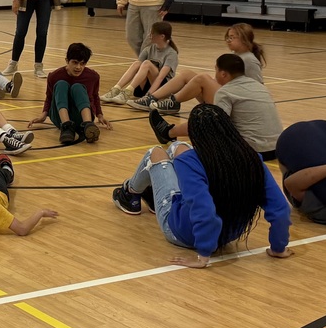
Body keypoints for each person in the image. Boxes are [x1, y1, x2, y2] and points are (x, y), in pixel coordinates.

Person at [111, 104, 292, 269]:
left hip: (184, 234)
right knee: (178, 146)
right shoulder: (251, 158)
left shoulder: (191, 161)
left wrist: (203, 255)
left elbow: (204, 210)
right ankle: (146, 194)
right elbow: (280, 208)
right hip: (229, 234)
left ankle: (129, 193)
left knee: (156, 153)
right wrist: (278, 247)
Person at [148, 54, 282, 159]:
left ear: (223, 74)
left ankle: (168, 132)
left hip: (251, 151)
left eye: (216, 70)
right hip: (275, 148)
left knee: (204, 127)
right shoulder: (258, 85)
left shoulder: (226, 91)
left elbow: (214, 124)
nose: (215, 74)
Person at [129, 23, 265, 113]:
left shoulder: (249, 60)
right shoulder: (236, 55)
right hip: (224, 96)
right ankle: (152, 98)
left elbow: (257, 89)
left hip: (232, 104)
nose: (228, 40)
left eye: (232, 37)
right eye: (227, 37)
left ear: (244, 39)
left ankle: (173, 102)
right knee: (187, 74)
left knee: (202, 78)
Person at [29, 42, 111, 144]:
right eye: (75, 62)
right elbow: (49, 98)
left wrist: (100, 115)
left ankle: (88, 125)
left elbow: (95, 96)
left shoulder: (93, 76)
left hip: (80, 116)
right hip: (59, 117)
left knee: (78, 87)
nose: (78, 67)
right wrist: (43, 115)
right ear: (67, 61)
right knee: (61, 84)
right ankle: (66, 126)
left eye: (82, 63)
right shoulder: (54, 76)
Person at [101, 22, 179, 107]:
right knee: (137, 63)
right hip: (145, 87)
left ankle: (127, 92)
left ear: (162, 36)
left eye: (152, 33)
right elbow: (137, 67)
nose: (149, 35)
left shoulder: (171, 54)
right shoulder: (149, 49)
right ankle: (116, 89)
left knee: (146, 63)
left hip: (162, 89)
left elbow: (161, 78)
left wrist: (149, 96)